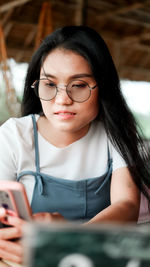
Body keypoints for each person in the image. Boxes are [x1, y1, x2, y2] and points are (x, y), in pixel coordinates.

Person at [0, 25, 150, 264]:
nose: (62, 100)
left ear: (103, 88)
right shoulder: (14, 136)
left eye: (79, 85)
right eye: (49, 85)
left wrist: (66, 242)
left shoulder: (114, 134)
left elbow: (127, 205)